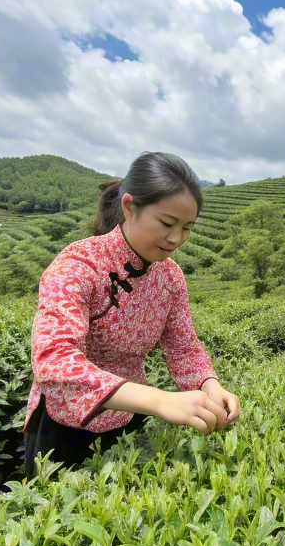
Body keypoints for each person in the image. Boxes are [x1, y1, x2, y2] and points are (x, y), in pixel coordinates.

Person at [23, 151, 240, 479]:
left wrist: (210, 384)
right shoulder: (79, 264)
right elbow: (54, 360)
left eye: (187, 228)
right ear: (129, 207)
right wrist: (160, 401)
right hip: (67, 425)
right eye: (166, 224)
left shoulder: (170, 277)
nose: (176, 239)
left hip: (130, 419)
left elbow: (183, 347)